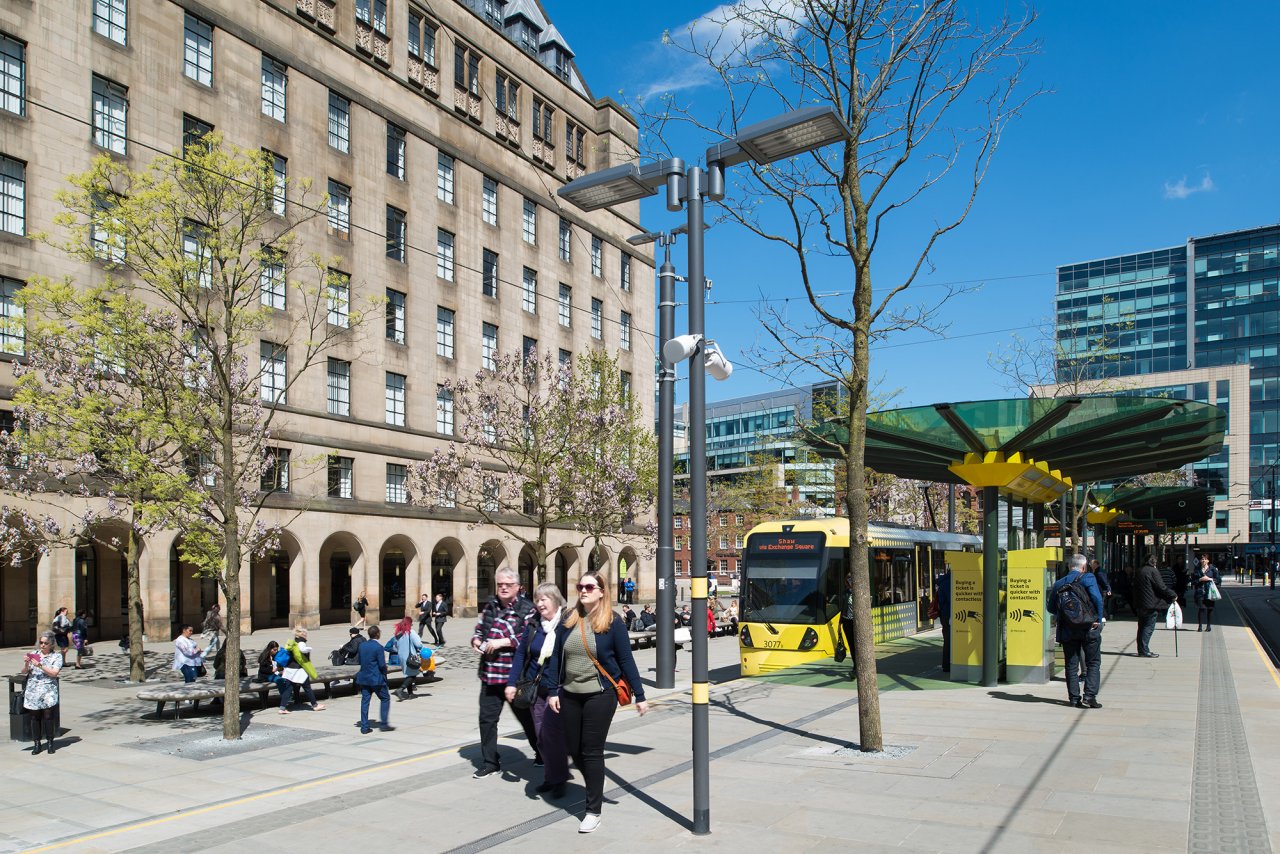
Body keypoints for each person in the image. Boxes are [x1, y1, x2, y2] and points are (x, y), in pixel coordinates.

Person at [548, 572, 649, 833]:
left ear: (602, 591)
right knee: (573, 747)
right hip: (570, 692)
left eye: (589, 586)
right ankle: (597, 779)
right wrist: (551, 691)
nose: (583, 590)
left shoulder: (612, 622)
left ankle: (592, 810)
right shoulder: (568, 619)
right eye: (580, 586)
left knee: (591, 749)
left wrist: (640, 695)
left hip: (601, 694)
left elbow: (626, 660)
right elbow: (556, 656)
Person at [471, 566, 540, 779]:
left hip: (514, 678)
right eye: (500, 584)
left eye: (508, 585)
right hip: (490, 675)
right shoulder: (490, 607)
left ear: (518, 587)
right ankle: (490, 762)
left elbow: (529, 637)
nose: (503, 588)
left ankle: (542, 753)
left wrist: (502, 641)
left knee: (527, 719)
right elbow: (479, 630)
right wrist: (476, 640)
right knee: (487, 720)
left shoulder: (528, 609)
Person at [506, 582, 570, 799]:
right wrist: (512, 682)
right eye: (537, 599)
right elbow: (521, 655)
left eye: (544, 599)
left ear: (555, 600)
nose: (539, 604)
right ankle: (552, 775)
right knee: (542, 737)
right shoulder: (533, 624)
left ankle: (558, 778)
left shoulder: (567, 624)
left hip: (560, 689)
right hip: (536, 688)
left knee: (554, 736)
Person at [1048, 554, 1105, 708]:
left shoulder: (1059, 583)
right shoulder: (1088, 578)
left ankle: (1074, 699)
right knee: (1093, 662)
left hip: (1067, 629)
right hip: (1088, 627)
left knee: (1071, 665)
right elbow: (1097, 599)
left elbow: (1051, 607)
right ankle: (1089, 696)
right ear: (1084, 567)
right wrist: (1098, 619)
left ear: (1069, 566)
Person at [21, 632, 63, 754]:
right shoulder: (34, 654)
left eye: (45, 643)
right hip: (33, 689)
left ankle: (50, 742)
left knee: (48, 715)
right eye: (41, 642)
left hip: (48, 689)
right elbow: (24, 672)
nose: (43, 645)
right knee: (34, 717)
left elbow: (54, 673)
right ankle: (37, 743)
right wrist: (26, 663)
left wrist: (40, 665)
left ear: (51, 644)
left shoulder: (56, 657)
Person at [1134, 554, 1178, 658]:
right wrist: (1173, 594)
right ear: (1154, 562)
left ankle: (1142, 649)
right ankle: (1144, 650)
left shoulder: (1140, 570)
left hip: (1140, 603)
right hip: (1151, 603)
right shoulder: (1153, 571)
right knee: (1148, 627)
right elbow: (1161, 587)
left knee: (1141, 627)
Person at [355, 625, 394, 733]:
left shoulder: (362, 646)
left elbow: (361, 660)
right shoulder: (379, 647)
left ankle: (364, 727)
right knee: (385, 698)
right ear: (377, 634)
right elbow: (382, 665)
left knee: (365, 701)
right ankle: (384, 724)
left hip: (364, 677)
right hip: (376, 678)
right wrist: (385, 672)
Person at [279, 628, 326, 712]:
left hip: (290, 669)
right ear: (302, 634)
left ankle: (282, 708)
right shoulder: (301, 642)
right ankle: (315, 705)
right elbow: (302, 649)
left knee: (289, 688)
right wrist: (309, 648)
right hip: (299, 670)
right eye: (305, 633)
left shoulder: (293, 642)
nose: (306, 635)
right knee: (307, 688)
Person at [392, 615, 429, 701]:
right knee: (413, 674)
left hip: (402, 657)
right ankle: (400, 689)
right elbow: (418, 644)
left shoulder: (398, 633)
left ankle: (410, 694)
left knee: (409, 674)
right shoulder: (410, 632)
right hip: (411, 657)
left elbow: (394, 647)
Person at [1192, 554, 1223, 632]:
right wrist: (1200, 579)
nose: (1203, 560)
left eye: (1205, 559)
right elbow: (1193, 581)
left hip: (1210, 592)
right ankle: (1200, 626)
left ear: (1208, 561)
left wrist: (1209, 579)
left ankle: (1208, 626)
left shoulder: (1212, 569)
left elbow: (1218, 579)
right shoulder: (1197, 569)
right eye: (1202, 559)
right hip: (1200, 592)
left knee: (1210, 609)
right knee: (1201, 608)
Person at [934, 566, 952, 673]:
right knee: (950, 640)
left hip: (944, 615)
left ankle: (946, 664)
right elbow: (952, 600)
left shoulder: (943, 582)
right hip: (951, 615)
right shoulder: (951, 582)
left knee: (947, 640)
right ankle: (948, 664)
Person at [839, 574, 857, 680]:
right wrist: (839, 624)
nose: (850, 581)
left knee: (857, 645)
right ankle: (855, 665)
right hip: (847, 622)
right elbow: (842, 609)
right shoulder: (846, 593)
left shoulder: (860, 593)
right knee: (851, 645)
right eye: (848, 580)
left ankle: (857, 668)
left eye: (851, 579)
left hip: (857, 622)